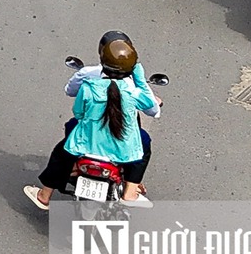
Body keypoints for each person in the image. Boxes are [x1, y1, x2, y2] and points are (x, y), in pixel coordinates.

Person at [25, 32, 161, 209]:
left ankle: (45, 195)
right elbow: (152, 108)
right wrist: (140, 79)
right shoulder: (134, 91)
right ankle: (130, 190)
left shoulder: (89, 85)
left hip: (86, 145)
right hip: (121, 151)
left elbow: (78, 113)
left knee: (62, 150)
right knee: (145, 145)